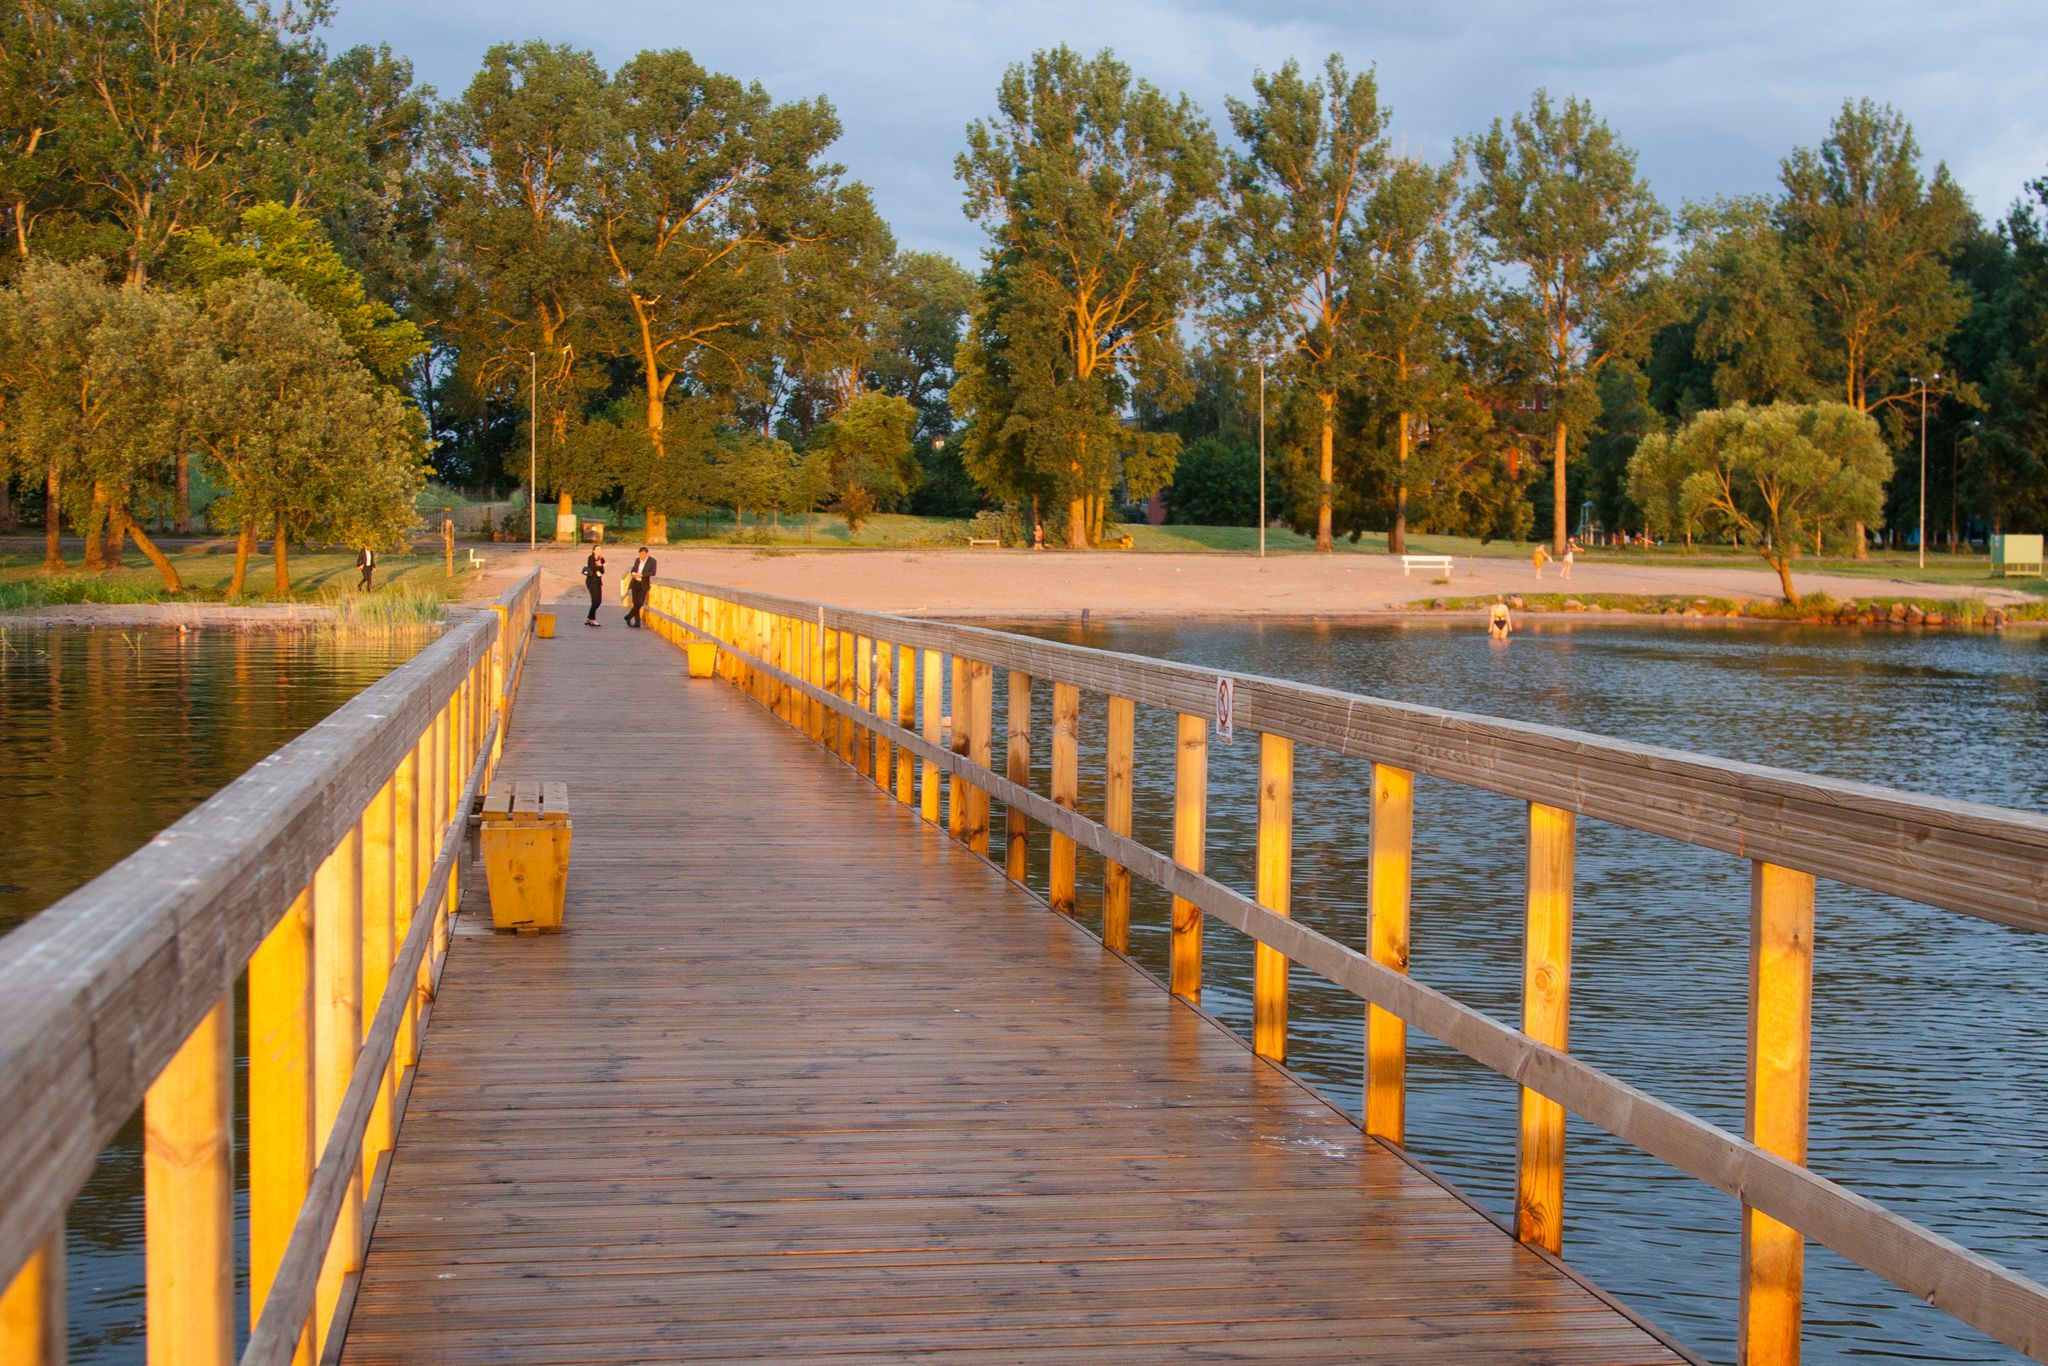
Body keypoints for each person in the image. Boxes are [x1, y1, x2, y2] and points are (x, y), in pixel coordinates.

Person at [624, 545, 656, 628]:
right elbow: (633, 569)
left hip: (643, 584)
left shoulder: (652, 561)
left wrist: (642, 575)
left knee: (640, 603)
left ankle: (628, 616)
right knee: (635, 603)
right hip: (635, 583)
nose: (642, 556)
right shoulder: (637, 560)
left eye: (643, 554)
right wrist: (633, 573)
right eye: (640, 554)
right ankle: (637, 622)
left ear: (647, 553)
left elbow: (653, 572)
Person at [582, 549, 606, 626]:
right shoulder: (591, 558)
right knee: (595, 600)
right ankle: (592, 619)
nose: (599, 550)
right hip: (591, 582)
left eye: (600, 549)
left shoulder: (601, 559)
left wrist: (600, 567)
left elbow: (603, 571)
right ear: (593, 550)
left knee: (598, 601)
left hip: (598, 582)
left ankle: (589, 618)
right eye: (597, 549)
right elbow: (592, 568)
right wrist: (600, 566)